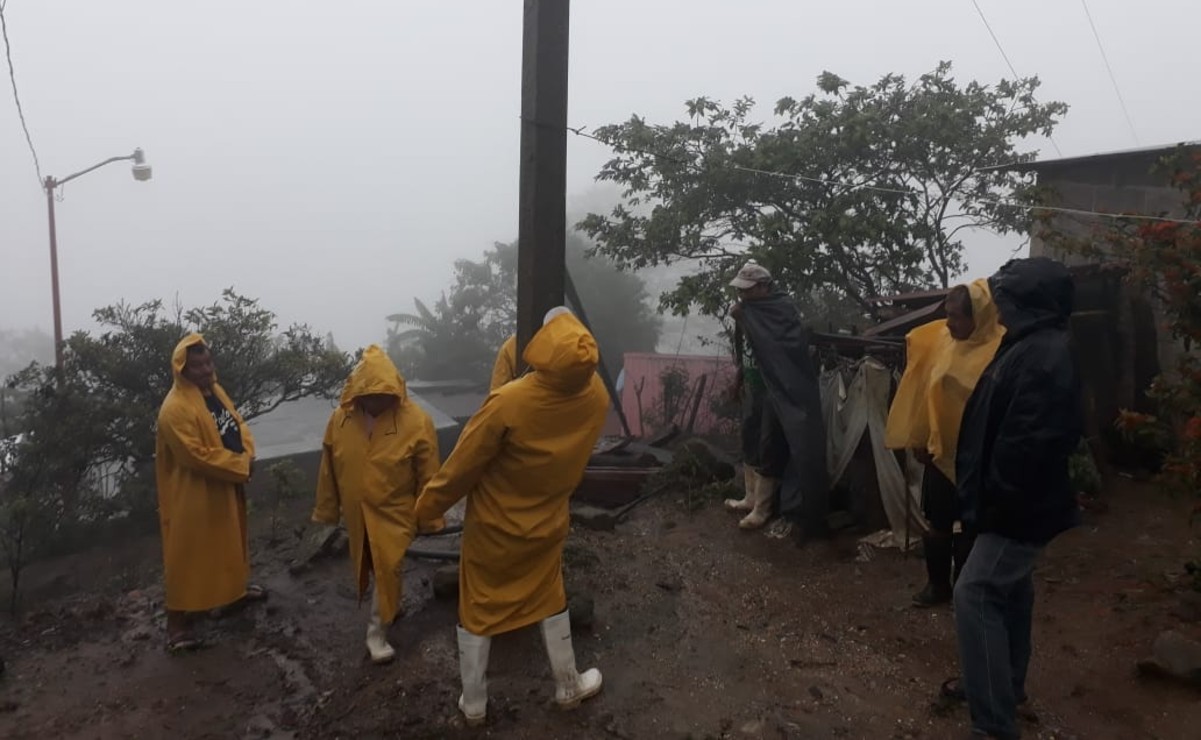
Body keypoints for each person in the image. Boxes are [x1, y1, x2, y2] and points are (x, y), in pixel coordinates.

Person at [415, 307, 609, 726]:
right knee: (549, 596)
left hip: (494, 527)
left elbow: (460, 469)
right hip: (549, 520)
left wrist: (426, 510)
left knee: (478, 607)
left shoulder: (508, 402)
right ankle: (568, 686)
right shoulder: (597, 395)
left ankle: (474, 704)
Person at [952, 257, 1082, 740]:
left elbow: (1032, 444)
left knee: (975, 592)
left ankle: (992, 725)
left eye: (1006, 299)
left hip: (1017, 509)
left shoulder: (1042, 355)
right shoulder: (1030, 346)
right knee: (1011, 590)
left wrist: (994, 506)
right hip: (1015, 504)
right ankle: (1008, 685)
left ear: (1026, 303)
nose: (999, 308)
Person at [312, 346, 440, 664]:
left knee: (389, 564)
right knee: (370, 563)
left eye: (384, 392)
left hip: (395, 511)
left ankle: (376, 632)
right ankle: (389, 609)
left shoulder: (416, 421)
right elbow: (328, 467)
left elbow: (429, 473)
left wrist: (430, 517)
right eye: (370, 393)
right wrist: (327, 509)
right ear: (358, 392)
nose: (378, 400)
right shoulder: (340, 421)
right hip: (357, 512)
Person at [885, 280, 1004, 607]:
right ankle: (937, 586)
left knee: (971, 525)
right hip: (940, 453)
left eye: (956, 316)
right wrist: (921, 437)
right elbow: (926, 392)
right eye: (947, 315)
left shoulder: (1000, 352)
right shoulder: (944, 343)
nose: (949, 323)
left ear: (977, 317)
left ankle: (965, 591)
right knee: (938, 521)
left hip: (979, 457)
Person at [155, 335, 264, 653]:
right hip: (193, 494)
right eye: (197, 366)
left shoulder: (213, 392)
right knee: (187, 553)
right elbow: (195, 456)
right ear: (182, 370)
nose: (205, 370)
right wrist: (240, 465)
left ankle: (231, 595)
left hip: (224, 484)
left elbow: (237, 423)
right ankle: (177, 623)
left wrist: (248, 453)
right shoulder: (174, 409)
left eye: (208, 363)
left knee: (228, 541)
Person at [721, 261, 829, 542]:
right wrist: (739, 379)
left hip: (777, 389)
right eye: (740, 291)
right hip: (755, 384)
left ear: (763, 287)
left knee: (769, 442)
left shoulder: (781, 309)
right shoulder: (749, 311)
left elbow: (781, 348)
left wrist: (746, 319)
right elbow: (747, 350)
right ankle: (749, 496)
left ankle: (762, 508)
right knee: (750, 436)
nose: (742, 296)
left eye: (748, 290)